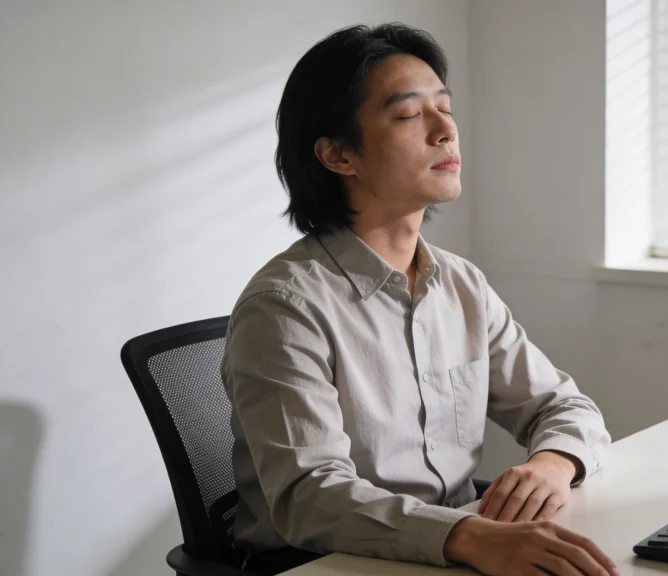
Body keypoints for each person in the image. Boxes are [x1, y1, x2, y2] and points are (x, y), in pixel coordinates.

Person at [220, 23, 617, 576]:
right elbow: (311, 497)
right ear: (338, 155)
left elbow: (564, 406)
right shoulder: (285, 307)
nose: (445, 132)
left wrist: (554, 463)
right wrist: (469, 535)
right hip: (327, 562)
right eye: (409, 115)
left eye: (445, 109)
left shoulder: (461, 284)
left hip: (453, 548)